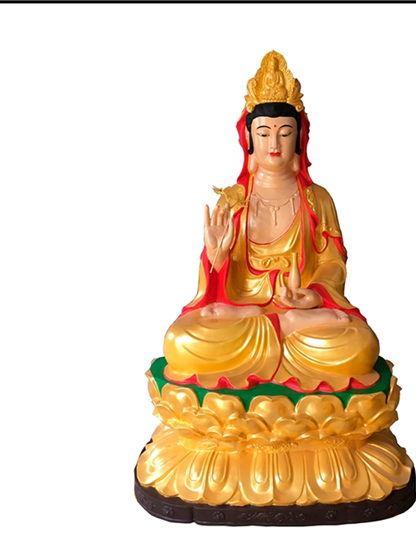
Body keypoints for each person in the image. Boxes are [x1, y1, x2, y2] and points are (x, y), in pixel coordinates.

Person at [163, 51, 380, 392]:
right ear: (249, 140)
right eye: (264, 134)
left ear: (299, 140)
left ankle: (286, 324)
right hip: (244, 313)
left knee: (360, 344)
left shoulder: (317, 199)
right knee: (180, 340)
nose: (274, 144)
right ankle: (279, 326)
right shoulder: (233, 201)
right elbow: (213, 291)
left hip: (303, 315)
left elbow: (332, 264)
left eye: (285, 133)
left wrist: (313, 295)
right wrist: (216, 257)